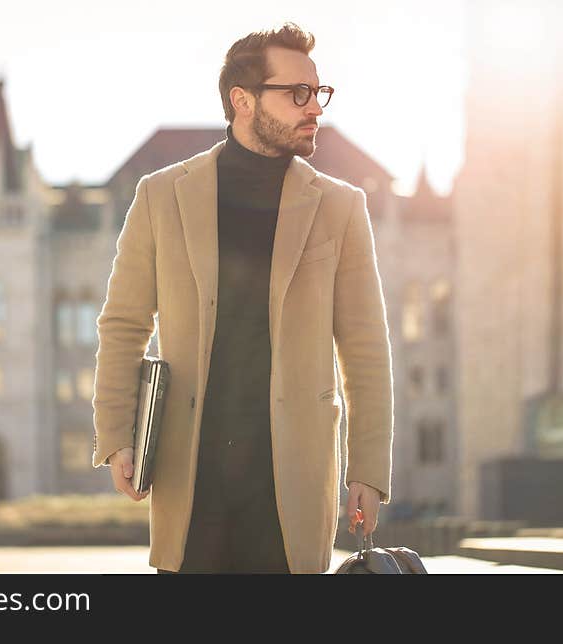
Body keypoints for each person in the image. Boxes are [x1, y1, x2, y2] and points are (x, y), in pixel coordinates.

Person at [92, 22, 394, 574]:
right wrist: (116, 437)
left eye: (318, 92)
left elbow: (365, 349)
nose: (314, 107)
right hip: (190, 477)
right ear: (243, 100)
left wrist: (367, 471)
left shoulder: (341, 207)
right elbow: (124, 323)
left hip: (291, 484)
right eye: (297, 93)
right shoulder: (161, 196)